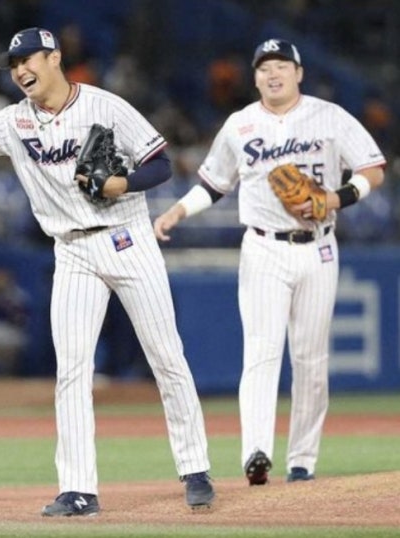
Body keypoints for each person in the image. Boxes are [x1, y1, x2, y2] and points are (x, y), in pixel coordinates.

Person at [0, 26, 215, 514]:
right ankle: (78, 488)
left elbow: (162, 166)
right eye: (13, 64)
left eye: (28, 59)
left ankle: (195, 469)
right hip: (72, 251)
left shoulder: (106, 106)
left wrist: (121, 183)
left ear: (55, 58)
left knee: (166, 356)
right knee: (73, 370)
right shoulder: (14, 121)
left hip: (126, 237)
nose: (20, 70)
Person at [153, 39, 386, 486]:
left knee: (311, 360)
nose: (272, 74)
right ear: (255, 77)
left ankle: (302, 461)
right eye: (264, 68)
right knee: (261, 352)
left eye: (281, 66)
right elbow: (214, 183)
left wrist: (336, 198)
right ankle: (256, 451)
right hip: (263, 248)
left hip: (319, 248)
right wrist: (179, 210)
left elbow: (373, 168)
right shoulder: (240, 125)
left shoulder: (330, 116)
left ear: (298, 73)